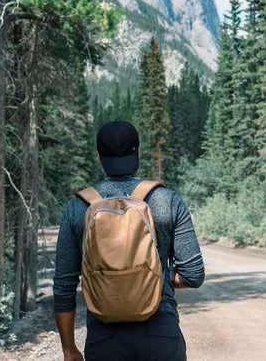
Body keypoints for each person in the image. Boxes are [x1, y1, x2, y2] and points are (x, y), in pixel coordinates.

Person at [53, 120, 205, 361]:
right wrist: (155, 277)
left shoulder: (78, 207)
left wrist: (69, 349)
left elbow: (63, 286)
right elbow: (193, 275)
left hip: (104, 339)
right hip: (160, 335)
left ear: (99, 157)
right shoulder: (168, 201)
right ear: (138, 152)